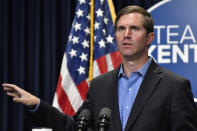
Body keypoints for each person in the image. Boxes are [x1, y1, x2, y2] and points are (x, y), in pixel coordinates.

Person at [2, 5, 197, 131]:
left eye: (134, 29)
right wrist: (37, 104)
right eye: (121, 29)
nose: (126, 34)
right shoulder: (100, 85)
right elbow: (76, 127)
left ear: (149, 38)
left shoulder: (174, 86)